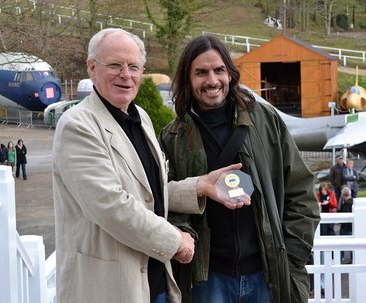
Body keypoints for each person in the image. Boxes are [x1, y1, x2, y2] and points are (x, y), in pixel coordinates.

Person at [52, 28, 249, 303]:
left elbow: (150, 194)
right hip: (110, 289)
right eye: (115, 65)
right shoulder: (77, 125)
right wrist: (176, 241)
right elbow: (112, 206)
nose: (126, 74)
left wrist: (200, 186)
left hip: (154, 285)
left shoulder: (139, 117)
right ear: (92, 67)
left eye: (133, 67)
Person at [158, 35, 320, 303]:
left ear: (230, 75)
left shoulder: (265, 121)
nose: (212, 81)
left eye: (219, 70)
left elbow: (300, 191)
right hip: (207, 282)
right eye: (201, 72)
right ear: (187, 79)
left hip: (266, 277)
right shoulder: (172, 138)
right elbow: (165, 202)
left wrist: (290, 257)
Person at [337, 186, 353, 263]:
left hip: (345, 227)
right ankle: (353, 260)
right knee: (353, 246)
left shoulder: (346, 203)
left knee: (341, 245)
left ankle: (340, 259)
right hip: (352, 227)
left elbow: (344, 214)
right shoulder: (353, 201)